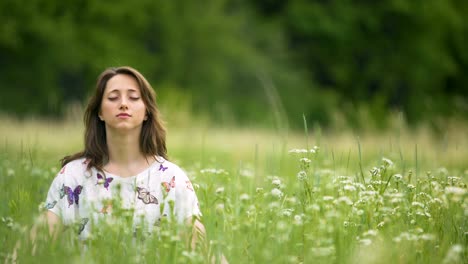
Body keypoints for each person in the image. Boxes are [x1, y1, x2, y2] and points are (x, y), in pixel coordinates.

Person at [43, 66, 204, 242]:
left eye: (134, 97)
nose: (123, 104)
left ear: (146, 112)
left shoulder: (171, 178)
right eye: (113, 98)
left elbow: (202, 250)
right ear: (100, 112)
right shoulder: (74, 175)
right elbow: (36, 242)